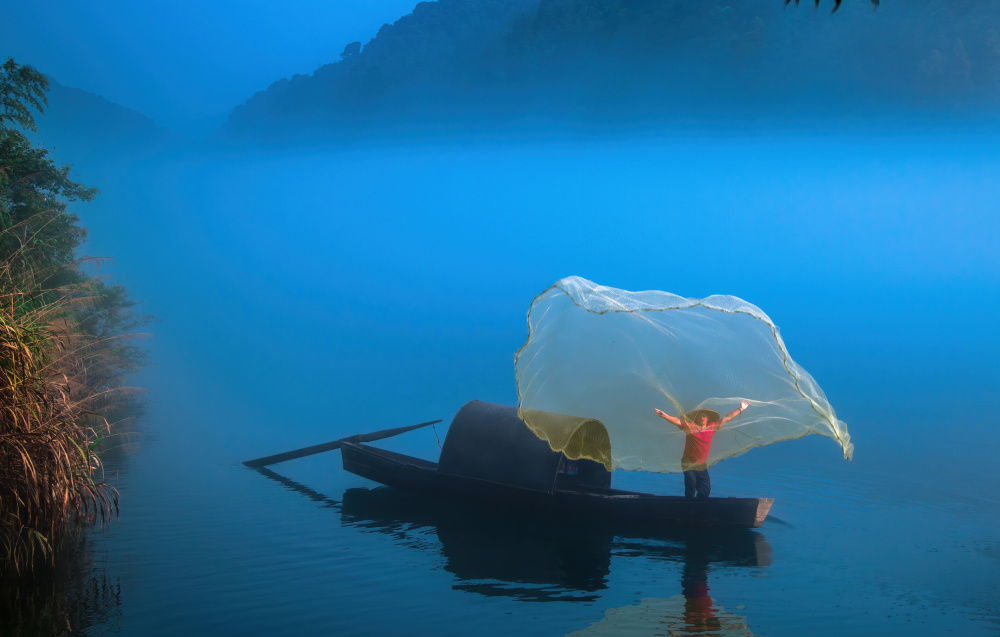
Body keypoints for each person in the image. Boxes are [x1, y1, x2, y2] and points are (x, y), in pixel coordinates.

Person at [654, 400, 750, 498]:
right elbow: (677, 421)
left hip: (701, 465)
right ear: (696, 418)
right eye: (700, 415)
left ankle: (699, 507)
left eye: (704, 416)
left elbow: (727, 418)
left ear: (708, 419)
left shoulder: (712, 428)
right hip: (688, 463)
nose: (702, 417)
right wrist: (664, 416)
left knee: (706, 489)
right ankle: (688, 506)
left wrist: (741, 408)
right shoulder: (690, 427)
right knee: (691, 485)